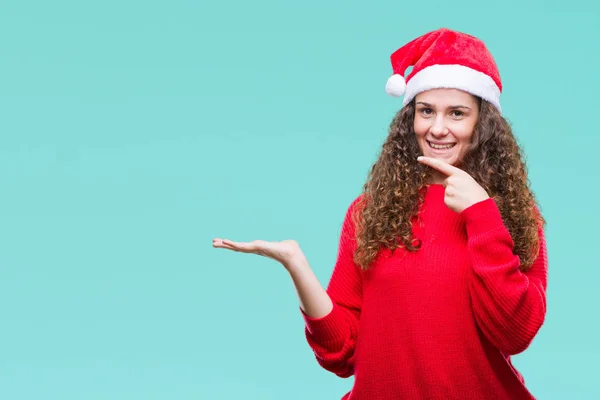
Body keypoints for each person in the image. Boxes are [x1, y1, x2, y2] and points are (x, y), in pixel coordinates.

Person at [213, 27, 548, 400]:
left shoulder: (511, 213)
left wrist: (481, 213)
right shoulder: (370, 211)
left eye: (457, 113)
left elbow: (515, 333)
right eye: (426, 111)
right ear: (410, 119)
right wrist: (296, 265)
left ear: (482, 125)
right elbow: (342, 353)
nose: (438, 128)